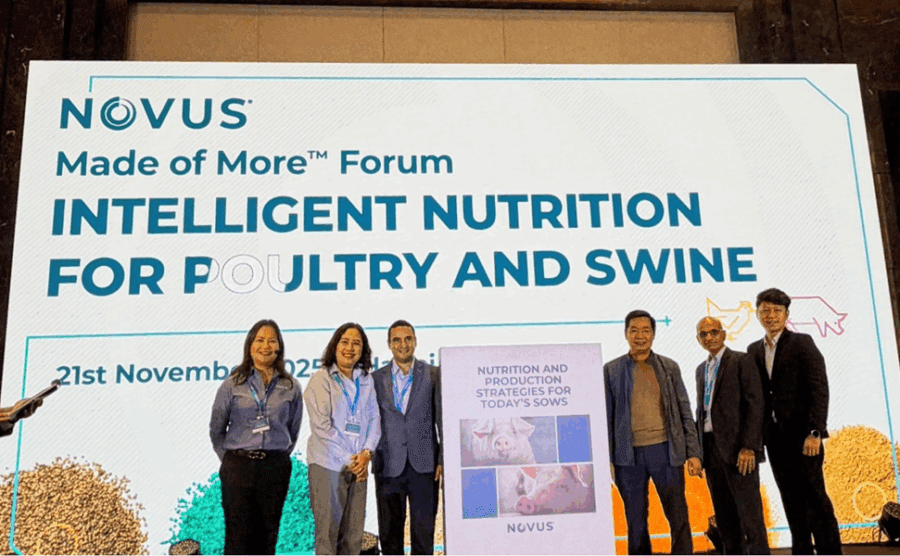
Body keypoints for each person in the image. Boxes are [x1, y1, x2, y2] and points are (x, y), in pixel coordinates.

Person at [747, 288, 842, 555]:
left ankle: (830, 551)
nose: (771, 316)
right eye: (765, 310)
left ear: (787, 314)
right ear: (757, 314)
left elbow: (818, 389)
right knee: (790, 499)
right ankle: (801, 550)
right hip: (775, 440)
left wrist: (815, 432)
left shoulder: (802, 343)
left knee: (815, 497)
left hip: (804, 438)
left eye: (777, 311)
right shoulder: (753, 350)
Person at [604, 309, 701, 555]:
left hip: (665, 450)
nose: (640, 336)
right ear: (626, 334)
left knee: (678, 516)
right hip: (628, 457)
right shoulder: (612, 370)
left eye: (645, 330)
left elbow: (684, 411)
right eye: (634, 330)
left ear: (654, 334)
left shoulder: (669, 367)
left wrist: (693, 452)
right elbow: (607, 417)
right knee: (635, 522)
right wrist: (608, 459)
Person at [209, 319, 304, 555]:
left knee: (267, 538)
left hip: (274, 467)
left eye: (272, 341)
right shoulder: (233, 384)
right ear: (250, 345)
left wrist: (274, 456)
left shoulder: (291, 386)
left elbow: (292, 429)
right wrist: (232, 459)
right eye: (260, 340)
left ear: (279, 347)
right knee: (237, 538)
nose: (265, 346)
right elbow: (216, 429)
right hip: (237, 466)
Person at [693, 316, 769, 555]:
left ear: (723, 335)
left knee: (750, 517)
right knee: (725, 519)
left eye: (714, 332)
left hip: (739, 451)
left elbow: (756, 405)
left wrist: (750, 447)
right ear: (698, 339)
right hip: (711, 450)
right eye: (703, 334)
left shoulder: (741, 360)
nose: (709, 337)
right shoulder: (701, 370)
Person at [304, 323, 382, 555]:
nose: (350, 348)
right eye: (345, 342)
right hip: (328, 464)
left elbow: (374, 418)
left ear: (363, 350)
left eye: (356, 343)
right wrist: (352, 459)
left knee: (353, 538)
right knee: (328, 536)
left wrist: (366, 453)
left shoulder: (366, 380)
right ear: (335, 346)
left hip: (359, 467)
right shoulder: (321, 379)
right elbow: (322, 427)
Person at [372, 320, 442, 555]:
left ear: (415, 341)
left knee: (424, 536)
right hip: (388, 465)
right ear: (389, 344)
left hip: (425, 466)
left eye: (408, 339)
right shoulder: (374, 379)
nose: (403, 344)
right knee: (390, 538)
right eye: (397, 340)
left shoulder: (432, 374)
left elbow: (441, 418)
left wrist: (442, 458)